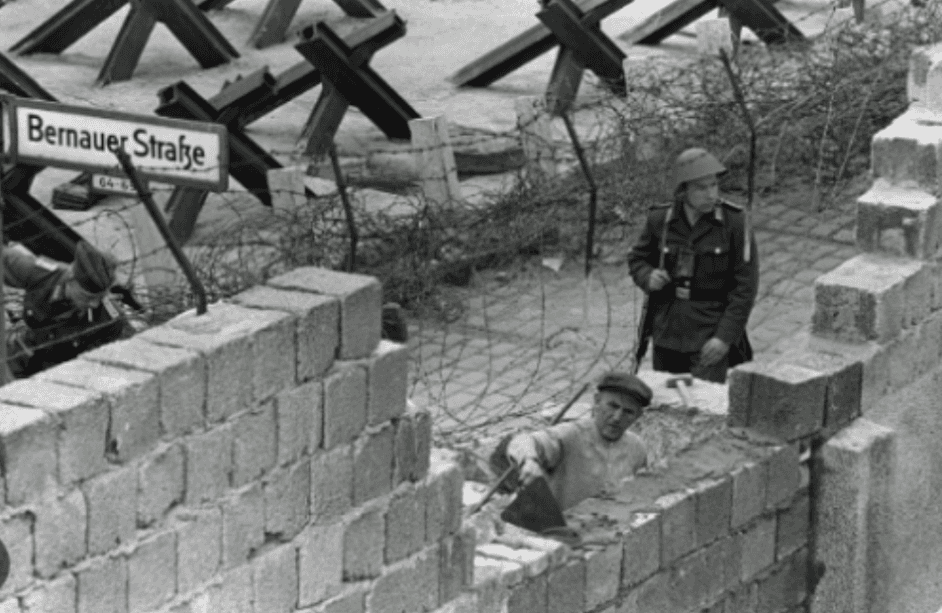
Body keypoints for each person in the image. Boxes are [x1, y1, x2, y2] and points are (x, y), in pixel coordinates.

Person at [627, 148, 759, 384]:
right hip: (668, 331)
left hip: (709, 332)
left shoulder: (734, 223)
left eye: (714, 185)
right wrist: (648, 276)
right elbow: (638, 259)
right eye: (701, 188)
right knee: (668, 399)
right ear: (683, 191)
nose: (711, 194)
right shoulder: (661, 221)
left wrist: (724, 338)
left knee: (703, 405)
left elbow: (745, 288)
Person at [500, 371, 651, 511]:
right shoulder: (571, 435)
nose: (617, 417)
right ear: (597, 401)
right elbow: (522, 441)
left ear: (638, 416)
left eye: (628, 412)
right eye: (612, 406)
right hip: (562, 529)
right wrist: (529, 462)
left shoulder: (637, 448)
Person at [3, 241, 125, 378]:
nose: (94, 304)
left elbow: (89, 373)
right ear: (70, 279)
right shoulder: (45, 275)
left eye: (101, 297)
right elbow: (5, 259)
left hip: (57, 377)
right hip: (21, 353)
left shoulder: (110, 321)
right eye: (87, 297)